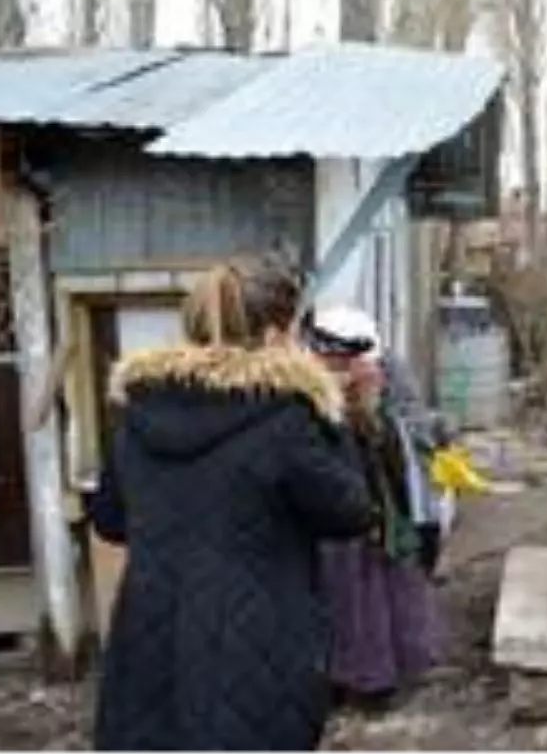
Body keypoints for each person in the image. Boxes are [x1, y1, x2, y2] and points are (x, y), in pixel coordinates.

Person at [86, 257, 376, 754]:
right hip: (259, 649)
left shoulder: (139, 410)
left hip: (152, 646)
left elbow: (110, 520)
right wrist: (338, 414)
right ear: (272, 335)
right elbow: (350, 512)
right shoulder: (288, 416)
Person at [303, 307, 443, 709]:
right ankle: (337, 678)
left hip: (377, 504)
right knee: (338, 591)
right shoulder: (304, 390)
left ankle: (374, 678)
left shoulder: (386, 378)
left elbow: (406, 436)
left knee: (376, 589)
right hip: (333, 508)